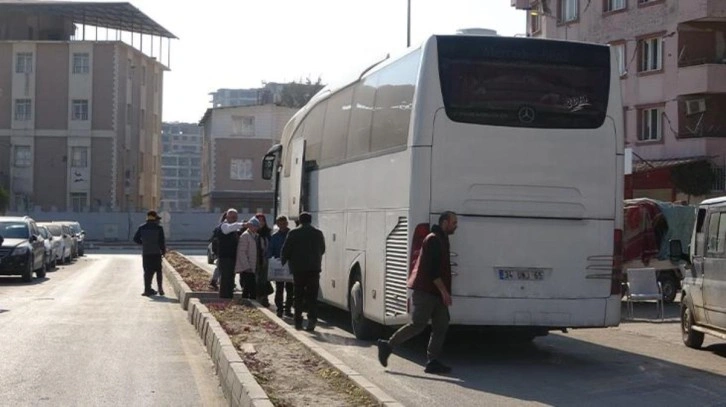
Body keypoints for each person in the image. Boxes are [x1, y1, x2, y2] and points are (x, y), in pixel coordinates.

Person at [377, 211, 458, 374]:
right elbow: (432, 271)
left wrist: (443, 292)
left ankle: (432, 361)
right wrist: (444, 292)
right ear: (444, 222)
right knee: (418, 324)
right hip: (426, 291)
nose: (456, 225)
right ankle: (387, 345)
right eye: (453, 222)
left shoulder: (442, 238)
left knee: (441, 324)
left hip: (435, 292)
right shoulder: (433, 239)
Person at [281, 212, 325, 331]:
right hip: (314, 269)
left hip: (298, 269)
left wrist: (284, 260)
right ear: (310, 221)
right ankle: (312, 320)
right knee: (312, 296)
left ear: (299, 220)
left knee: (298, 295)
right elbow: (323, 249)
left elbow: (286, 249)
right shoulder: (318, 233)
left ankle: (298, 321)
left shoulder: (293, 233)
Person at [133, 210, 167, 296]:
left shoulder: (142, 227)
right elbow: (161, 242)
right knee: (158, 271)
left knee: (147, 272)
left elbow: (135, 239)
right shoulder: (159, 228)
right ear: (155, 219)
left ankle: (147, 290)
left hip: (146, 253)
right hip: (156, 253)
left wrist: (144, 243)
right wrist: (163, 251)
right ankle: (160, 289)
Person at [267, 215, 294, 318]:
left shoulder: (292, 234)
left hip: (290, 265)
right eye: (280, 224)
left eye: (284, 223)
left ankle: (288, 309)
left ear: (287, 223)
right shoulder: (274, 237)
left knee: (290, 289)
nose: (282, 225)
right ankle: (279, 309)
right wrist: (271, 258)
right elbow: (270, 250)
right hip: (279, 265)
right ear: (277, 224)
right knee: (279, 288)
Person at [217, 209, 246, 299]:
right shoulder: (224, 226)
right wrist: (243, 224)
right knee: (225, 280)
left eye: (236, 218)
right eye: (232, 217)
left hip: (232, 258)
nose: (234, 219)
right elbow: (228, 229)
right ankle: (224, 300)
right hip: (225, 258)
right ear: (227, 217)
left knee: (230, 280)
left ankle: (229, 298)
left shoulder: (234, 229)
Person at [235, 216, 260, 299]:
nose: (256, 228)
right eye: (254, 226)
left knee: (250, 287)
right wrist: (246, 266)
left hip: (252, 266)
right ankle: (247, 302)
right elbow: (242, 252)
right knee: (248, 287)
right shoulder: (245, 236)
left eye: (257, 226)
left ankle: (249, 301)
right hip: (247, 267)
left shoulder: (255, 236)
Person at [254, 213, 273, 307]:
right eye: (259, 220)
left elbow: (270, 246)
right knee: (257, 280)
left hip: (266, 260)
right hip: (256, 261)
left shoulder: (268, 233)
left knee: (265, 280)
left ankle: (264, 298)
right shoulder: (253, 232)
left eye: (262, 220)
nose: (261, 222)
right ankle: (257, 298)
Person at [208, 211, 227, 290]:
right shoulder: (220, 228)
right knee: (220, 267)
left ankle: (218, 282)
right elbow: (214, 240)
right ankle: (214, 281)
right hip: (222, 252)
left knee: (221, 268)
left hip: (223, 252)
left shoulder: (220, 227)